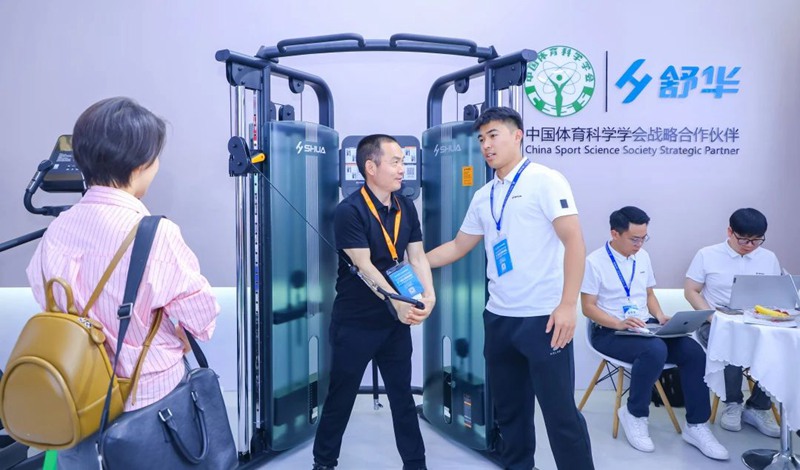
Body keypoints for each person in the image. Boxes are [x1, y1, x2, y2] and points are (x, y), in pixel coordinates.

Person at [25, 97, 220, 469]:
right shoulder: (156, 234)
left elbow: (43, 292)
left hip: (77, 397)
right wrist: (180, 331)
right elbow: (201, 315)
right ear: (140, 165)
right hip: (147, 399)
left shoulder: (58, 228)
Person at [426, 107, 593, 470]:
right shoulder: (484, 195)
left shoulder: (546, 180)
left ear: (517, 135)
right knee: (510, 413)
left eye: (494, 135)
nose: (486, 145)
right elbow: (458, 246)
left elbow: (575, 242)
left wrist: (568, 305)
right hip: (499, 319)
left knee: (560, 414)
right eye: (481, 139)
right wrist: (416, 264)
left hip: (545, 319)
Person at [312, 134, 435, 470]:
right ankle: (324, 462)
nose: (402, 169)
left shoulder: (405, 206)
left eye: (402, 162)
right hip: (355, 323)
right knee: (341, 397)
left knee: (402, 398)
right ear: (370, 166)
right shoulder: (349, 211)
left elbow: (417, 256)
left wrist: (429, 294)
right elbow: (364, 265)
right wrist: (396, 301)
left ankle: (416, 464)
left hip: (394, 324)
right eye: (395, 162)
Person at [581, 206, 728, 460]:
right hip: (609, 331)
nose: (640, 244)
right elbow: (588, 307)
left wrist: (660, 316)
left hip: (644, 327)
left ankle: (696, 426)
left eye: (643, 238)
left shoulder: (643, 257)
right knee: (655, 350)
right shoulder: (594, 262)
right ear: (615, 233)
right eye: (634, 239)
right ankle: (634, 414)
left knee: (694, 351)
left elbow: (649, 294)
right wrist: (618, 323)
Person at [684, 208, 781, 437]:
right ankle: (733, 403)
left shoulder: (768, 258)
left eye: (756, 240)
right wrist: (712, 317)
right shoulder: (707, 255)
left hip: (757, 323)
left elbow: (775, 294)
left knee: (779, 345)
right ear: (730, 232)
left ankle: (758, 407)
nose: (750, 245)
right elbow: (691, 291)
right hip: (715, 322)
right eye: (744, 239)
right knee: (730, 342)